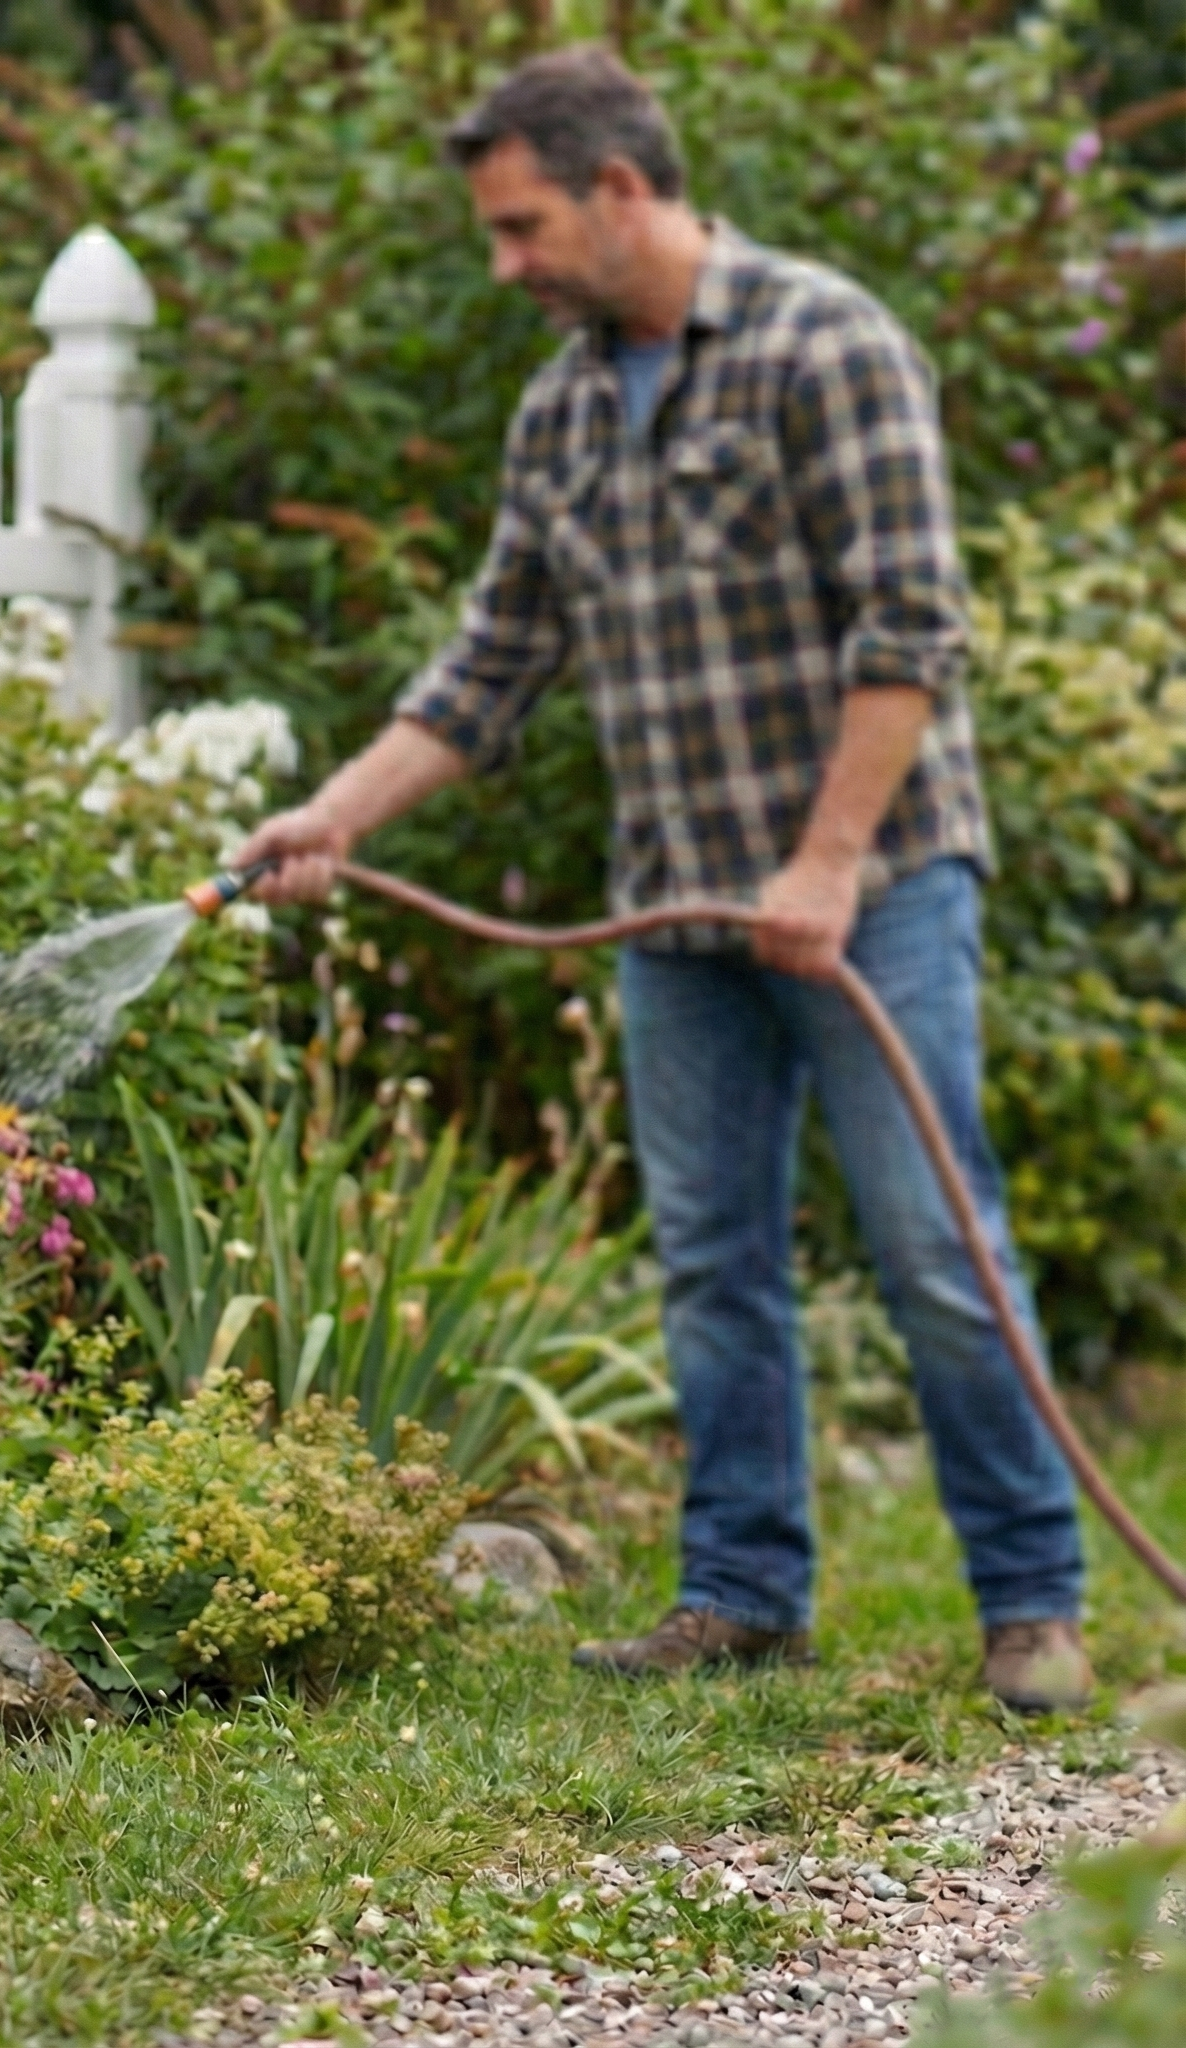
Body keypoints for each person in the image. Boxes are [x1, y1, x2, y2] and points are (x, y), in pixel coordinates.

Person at [235, 44, 1092, 1714]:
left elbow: (913, 631)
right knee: (711, 1259)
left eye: (524, 225)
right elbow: (493, 664)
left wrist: (828, 866)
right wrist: (333, 814)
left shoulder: (823, 344)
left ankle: (1033, 1603)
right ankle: (746, 1593)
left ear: (623, 189)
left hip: (879, 886)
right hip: (675, 907)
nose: (508, 264)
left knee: (934, 1243)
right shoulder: (561, 404)